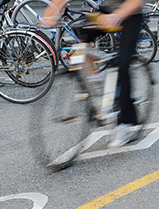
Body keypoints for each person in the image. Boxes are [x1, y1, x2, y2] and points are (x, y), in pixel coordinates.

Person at [43, 0, 145, 146]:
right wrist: (52, 12)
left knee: (123, 66)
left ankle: (124, 124)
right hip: (106, 11)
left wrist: (117, 15)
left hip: (131, 14)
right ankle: (94, 80)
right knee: (80, 32)